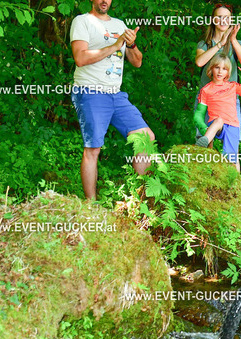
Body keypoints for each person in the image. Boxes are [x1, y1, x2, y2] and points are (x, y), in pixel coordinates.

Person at [70, 0, 154, 200]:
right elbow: (80, 58)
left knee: (146, 138)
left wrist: (131, 44)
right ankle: (91, 206)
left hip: (116, 94)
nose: (104, 1)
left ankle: (139, 200)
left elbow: (137, 62)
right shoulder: (82, 21)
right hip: (91, 91)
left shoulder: (119, 25)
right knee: (93, 149)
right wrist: (115, 45)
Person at [194, 4, 241, 140]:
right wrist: (220, 44)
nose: (223, 20)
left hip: (229, 100)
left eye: (227, 18)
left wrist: (232, 40)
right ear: (213, 20)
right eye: (219, 17)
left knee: (232, 143)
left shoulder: (239, 44)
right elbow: (199, 62)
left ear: (231, 21)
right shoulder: (204, 44)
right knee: (204, 141)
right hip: (206, 99)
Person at [194, 54, 241, 172]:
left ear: (228, 72)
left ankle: (236, 182)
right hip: (216, 125)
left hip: (232, 125)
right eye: (217, 67)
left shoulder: (232, 86)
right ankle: (204, 141)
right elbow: (198, 114)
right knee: (218, 121)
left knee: (233, 159)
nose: (220, 72)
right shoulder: (206, 90)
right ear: (211, 68)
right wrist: (203, 128)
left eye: (224, 69)